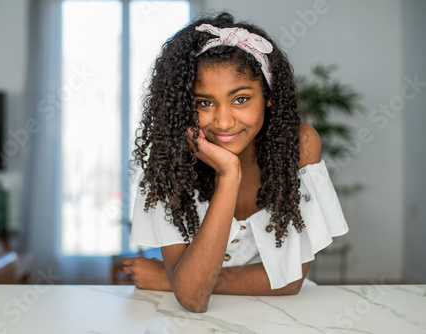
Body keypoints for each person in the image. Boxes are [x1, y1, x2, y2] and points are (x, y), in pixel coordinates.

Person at [123, 12, 348, 313]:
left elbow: (288, 282)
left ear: (268, 96)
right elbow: (192, 299)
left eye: (240, 99)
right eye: (204, 103)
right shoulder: (170, 160)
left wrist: (171, 280)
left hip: (285, 317)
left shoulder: (299, 146)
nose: (224, 121)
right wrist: (228, 174)